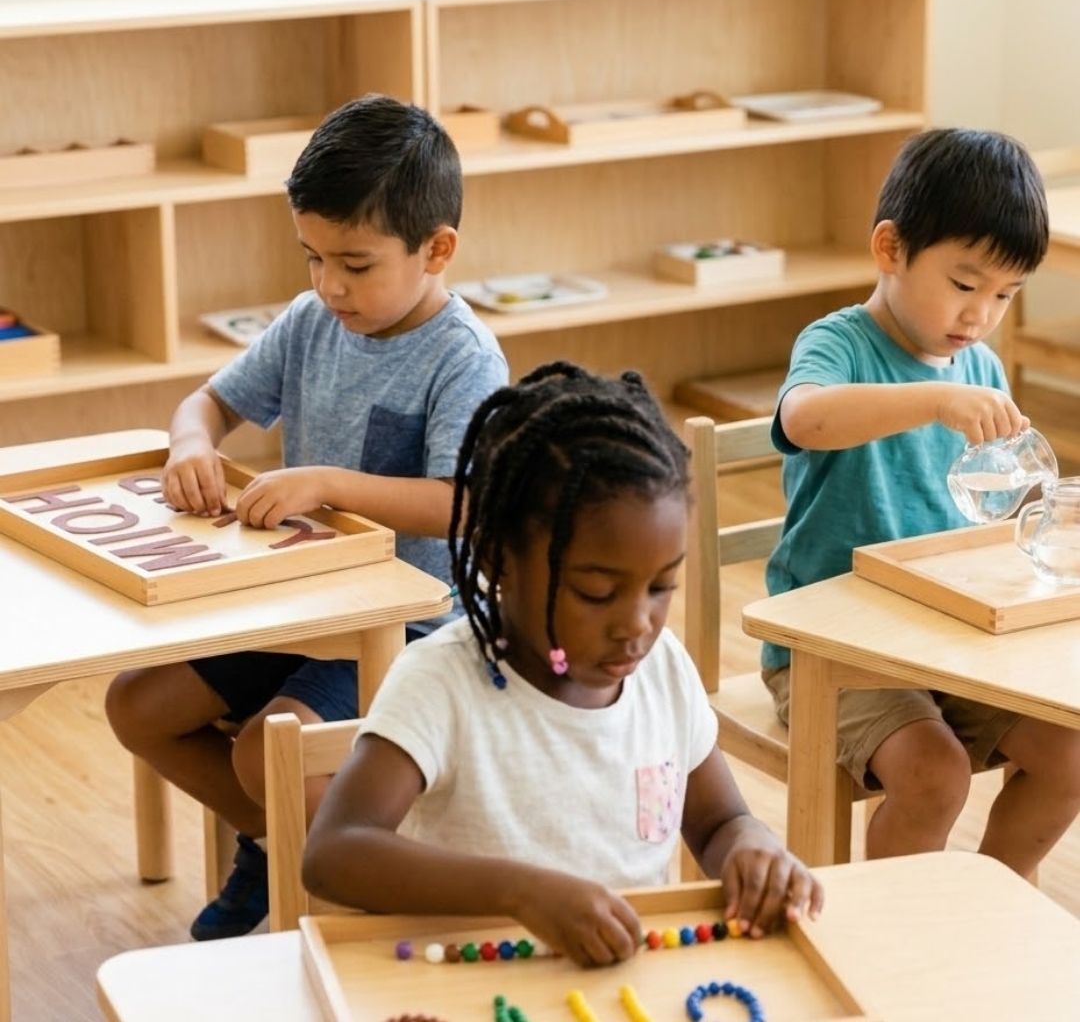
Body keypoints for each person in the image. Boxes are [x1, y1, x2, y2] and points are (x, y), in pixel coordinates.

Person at [105, 94, 508, 940]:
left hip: (405, 626)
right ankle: (282, 847)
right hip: (289, 603)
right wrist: (189, 445)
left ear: (437, 251)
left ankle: (330, 877)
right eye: (313, 258)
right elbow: (206, 405)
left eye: (355, 265)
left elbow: (464, 505)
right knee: (136, 705)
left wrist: (327, 482)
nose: (329, 285)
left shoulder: (463, 356)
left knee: (267, 749)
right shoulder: (309, 321)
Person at [302, 362, 823, 967]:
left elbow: (718, 822)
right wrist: (520, 891)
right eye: (597, 593)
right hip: (482, 985)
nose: (636, 623)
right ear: (499, 559)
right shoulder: (441, 683)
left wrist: (754, 850)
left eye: (661, 587)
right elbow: (335, 853)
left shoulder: (663, 672)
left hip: (622, 985)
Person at [762, 128, 1080, 877]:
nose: (980, 315)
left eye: (1005, 295)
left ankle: (992, 895)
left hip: (943, 640)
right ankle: (898, 924)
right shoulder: (839, 342)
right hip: (835, 652)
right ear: (890, 249)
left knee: (1069, 751)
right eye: (965, 285)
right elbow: (805, 418)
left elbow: (1006, 508)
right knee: (934, 775)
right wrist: (933, 399)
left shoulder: (979, 366)